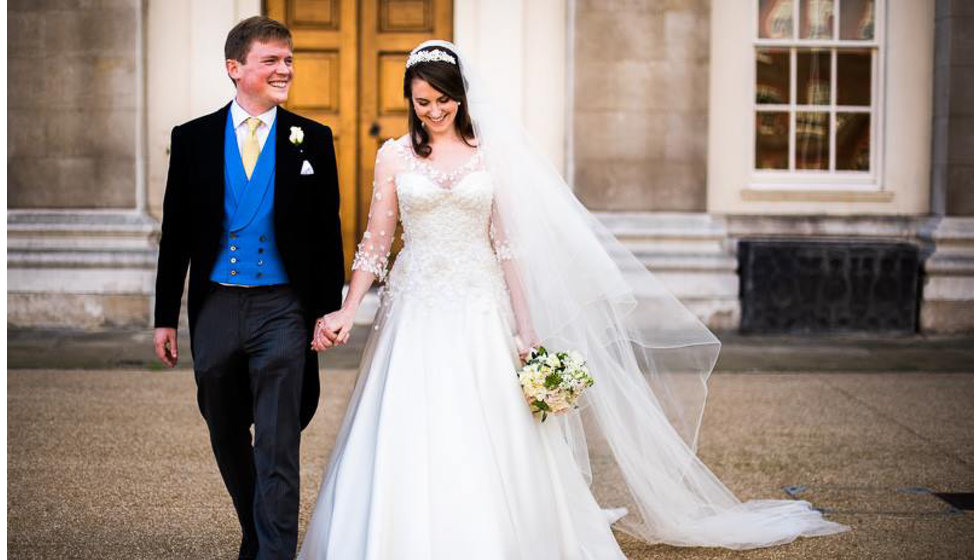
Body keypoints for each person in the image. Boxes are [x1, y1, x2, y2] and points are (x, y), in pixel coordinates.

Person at [300, 41, 847, 558]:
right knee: (408, 419)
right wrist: (351, 307)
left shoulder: (488, 156)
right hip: (415, 305)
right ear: (409, 100)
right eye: (423, 102)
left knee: (494, 424)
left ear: (461, 96)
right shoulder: (393, 157)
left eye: (444, 100)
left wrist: (526, 326)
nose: (435, 111)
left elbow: (507, 246)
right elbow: (375, 242)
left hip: (481, 301)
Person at [152, 16, 344, 560]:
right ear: (235, 69)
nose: (285, 69)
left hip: (284, 306)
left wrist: (325, 311)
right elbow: (177, 232)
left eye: (288, 60)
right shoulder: (191, 139)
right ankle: (257, 530)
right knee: (224, 423)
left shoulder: (314, 138)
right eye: (271, 60)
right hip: (217, 302)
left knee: (280, 441)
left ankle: (274, 553)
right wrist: (166, 315)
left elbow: (327, 232)